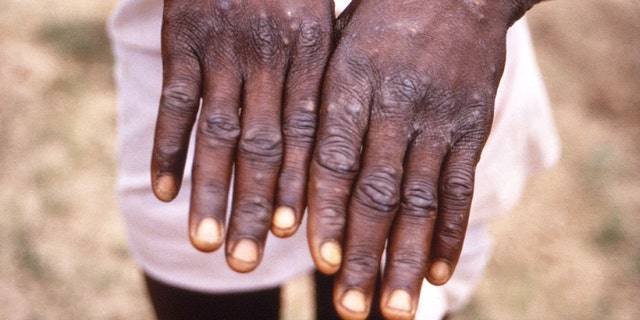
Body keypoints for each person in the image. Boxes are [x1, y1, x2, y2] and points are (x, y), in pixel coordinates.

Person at [108, 0, 559, 319]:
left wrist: (469, 6)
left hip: (433, 54)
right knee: (201, 268)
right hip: (220, 47)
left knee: (390, 283)